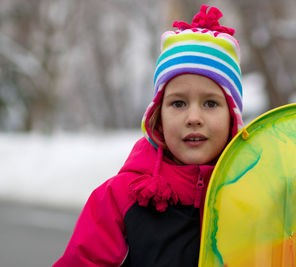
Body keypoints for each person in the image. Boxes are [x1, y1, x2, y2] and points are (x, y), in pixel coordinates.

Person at [53, 5, 243, 266]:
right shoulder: (120, 198)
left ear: (233, 117)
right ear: (158, 117)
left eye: (210, 103)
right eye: (178, 103)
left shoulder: (252, 194)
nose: (194, 117)